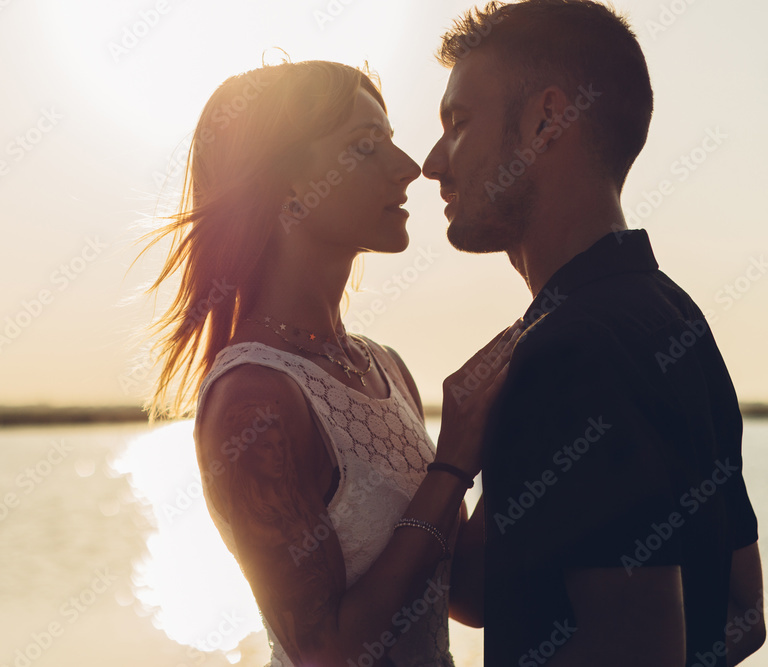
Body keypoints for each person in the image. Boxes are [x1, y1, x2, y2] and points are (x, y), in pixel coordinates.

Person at [141, 59, 519, 666]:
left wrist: (505, 439)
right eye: (366, 148)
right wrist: (451, 464)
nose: (410, 167)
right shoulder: (254, 397)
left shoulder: (385, 368)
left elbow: (470, 598)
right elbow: (325, 654)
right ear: (287, 185)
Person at [421, 1, 764, 665]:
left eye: (458, 122)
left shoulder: (567, 355)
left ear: (548, 120)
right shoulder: (676, 316)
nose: (433, 162)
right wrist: (457, 460)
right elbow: (743, 613)